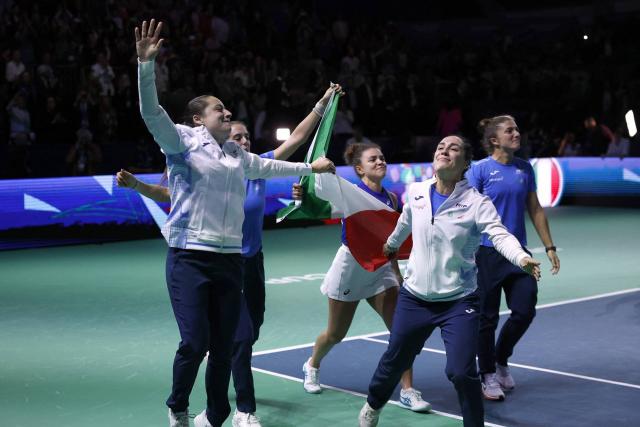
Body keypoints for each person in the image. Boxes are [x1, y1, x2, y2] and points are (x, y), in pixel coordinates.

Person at [134, 19, 336, 427]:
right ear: (197, 119)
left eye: (227, 111)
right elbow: (150, 112)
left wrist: (309, 166)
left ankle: (219, 414)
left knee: (225, 347)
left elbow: (270, 164)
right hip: (189, 258)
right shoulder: (181, 143)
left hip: (230, 262)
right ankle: (177, 407)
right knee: (195, 342)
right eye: (219, 110)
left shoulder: (236, 155)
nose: (228, 114)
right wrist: (145, 67)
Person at [358, 136, 541, 427]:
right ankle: (373, 405)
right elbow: (406, 220)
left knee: (461, 371)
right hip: (414, 297)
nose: (444, 150)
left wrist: (520, 257)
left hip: (458, 300)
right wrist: (393, 242)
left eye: (453, 148)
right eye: (441, 147)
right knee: (394, 361)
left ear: (465, 163)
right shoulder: (416, 191)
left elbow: (499, 234)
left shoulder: (476, 203)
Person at [296, 142, 431, 412]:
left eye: (382, 157)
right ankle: (312, 364)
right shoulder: (351, 195)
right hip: (351, 268)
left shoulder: (392, 199)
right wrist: (303, 197)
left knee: (401, 332)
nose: (380, 161)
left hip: (381, 270)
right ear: (359, 168)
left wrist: (398, 275)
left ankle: (407, 390)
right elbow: (318, 207)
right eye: (373, 159)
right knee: (335, 334)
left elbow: (392, 239)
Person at [467, 115, 560, 401]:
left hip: (519, 254)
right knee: (487, 318)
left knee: (524, 309)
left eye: (517, 129)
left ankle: (500, 358)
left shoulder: (524, 168)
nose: (517, 133)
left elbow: (535, 208)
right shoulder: (478, 170)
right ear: (494, 140)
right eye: (510, 130)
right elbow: (466, 211)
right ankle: (487, 375)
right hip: (486, 252)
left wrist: (549, 246)